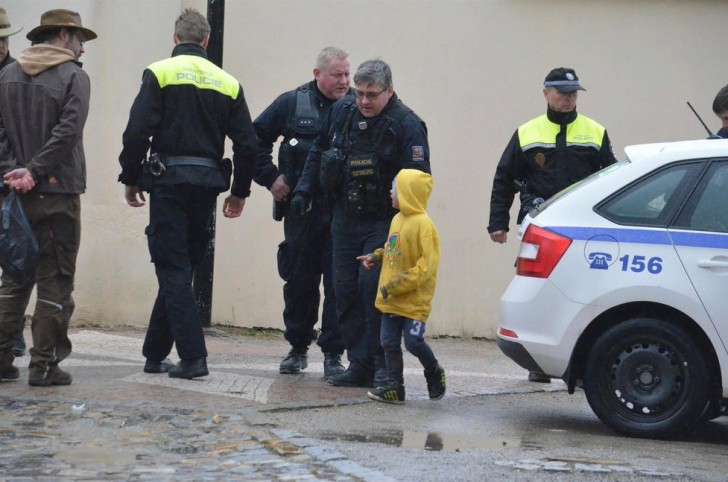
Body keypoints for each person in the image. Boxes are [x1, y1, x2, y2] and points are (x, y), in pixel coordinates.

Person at [118, 8, 257, 380]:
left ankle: (193, 358)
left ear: (176, 39)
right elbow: (247, 143)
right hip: (207, 187)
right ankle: (154, 353)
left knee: (173, 267)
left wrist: (130, 177)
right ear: (207, 41)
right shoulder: (228, 81)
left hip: (168, 184)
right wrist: (240, 192)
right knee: (183, 268)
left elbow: (135, 133)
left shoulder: (159, 73)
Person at [292, 59, 431, 388]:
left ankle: (382, 365)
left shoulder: (407, 124)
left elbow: (420, 181)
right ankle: (359, 364)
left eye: (372, 95)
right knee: (345, 291)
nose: (364, 101)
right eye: (360, 93)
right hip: (344, 217)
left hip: (383, 221)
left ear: (389, 91)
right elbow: (318, 152)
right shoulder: (343, 112)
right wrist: (303, 189)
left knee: (373, 291)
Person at [487, 67, 617, 383]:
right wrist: (497, 222)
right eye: (562, 93)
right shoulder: (527, 132)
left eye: (573, 93)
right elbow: (504, 178)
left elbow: (613, 178)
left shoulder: (595, 131)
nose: (569, 99)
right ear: (546, 93)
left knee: (585, 290)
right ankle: (538, 360)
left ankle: (581, 358)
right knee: (540, 291)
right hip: (541, 223)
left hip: (584, 226)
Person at [0, 9, 96, 386]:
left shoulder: (7, 75)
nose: (81, 47)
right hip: (58, 192)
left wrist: (13, 170)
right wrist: (35, 170)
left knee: (15, 278)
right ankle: (44, 366)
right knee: (56, 279)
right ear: (61, 35)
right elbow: (68, 131)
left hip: (15, 195)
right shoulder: (75, 76)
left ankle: (2, 360)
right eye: (79, 39)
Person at [253, 47, 351, 378]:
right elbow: (253, 139)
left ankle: (334, 354)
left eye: (346, 74)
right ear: (317, 74)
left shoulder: (355, 106)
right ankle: (297, 348)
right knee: (299, 282)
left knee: (339, 285)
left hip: (341, 213)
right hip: (302, 211)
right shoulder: (292, 103)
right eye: (337, 75)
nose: (344, 81)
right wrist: (271, 178)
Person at [358, 169, 445, 404]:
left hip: (414, 302)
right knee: (388, 342)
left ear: (408, 193)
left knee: (414, 342)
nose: (390, 192)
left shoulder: (425, 226)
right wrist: (376, 257)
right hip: (391, 299)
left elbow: (426, 267)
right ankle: (395, 387)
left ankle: (434, 371)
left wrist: (396, 283)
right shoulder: (397, 220)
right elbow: (392, 249)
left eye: (394, 188)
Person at [0, 7, 26, 358]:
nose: (1, 45)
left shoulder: (16, 74)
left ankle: (12, 332)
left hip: (7, 177)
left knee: (15, 257)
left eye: (4, 39)